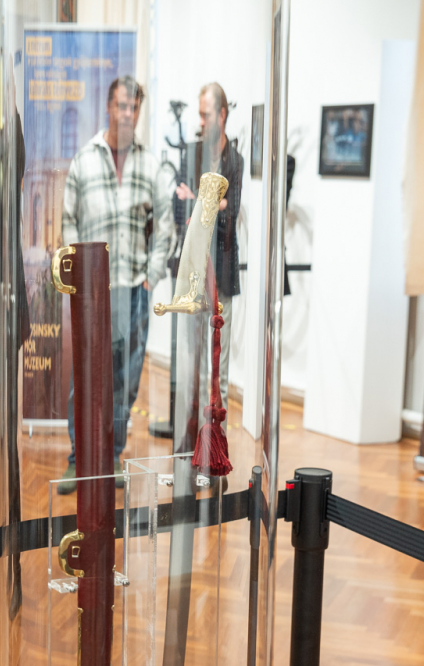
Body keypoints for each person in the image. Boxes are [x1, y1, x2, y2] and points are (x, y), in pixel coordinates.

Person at [56, 76, 174, 494]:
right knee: (85, 379)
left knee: (125, 381)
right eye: (122, 106)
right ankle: (78, 460)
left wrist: (151, 277)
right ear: (108, 107)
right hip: (92, 293)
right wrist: (79, 276)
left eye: (134, 107)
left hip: (133, 290)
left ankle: (111, 457)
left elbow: (165, 223)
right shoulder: (83, 160)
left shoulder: (150, 164)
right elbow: (68, 220)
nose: (127, 114)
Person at [175, 82, 242, 403]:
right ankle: (194, 431)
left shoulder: (235, 160)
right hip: (193, 272)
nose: (201, 121)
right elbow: (179, 207)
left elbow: (232, 212)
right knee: (193, 365)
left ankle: (218, 435)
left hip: (222, 274)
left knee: (219, 370)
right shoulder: (192, 154)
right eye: (200, 115)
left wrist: (199, 201)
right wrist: (215, 203)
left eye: (206, 115)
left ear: (222, 114)